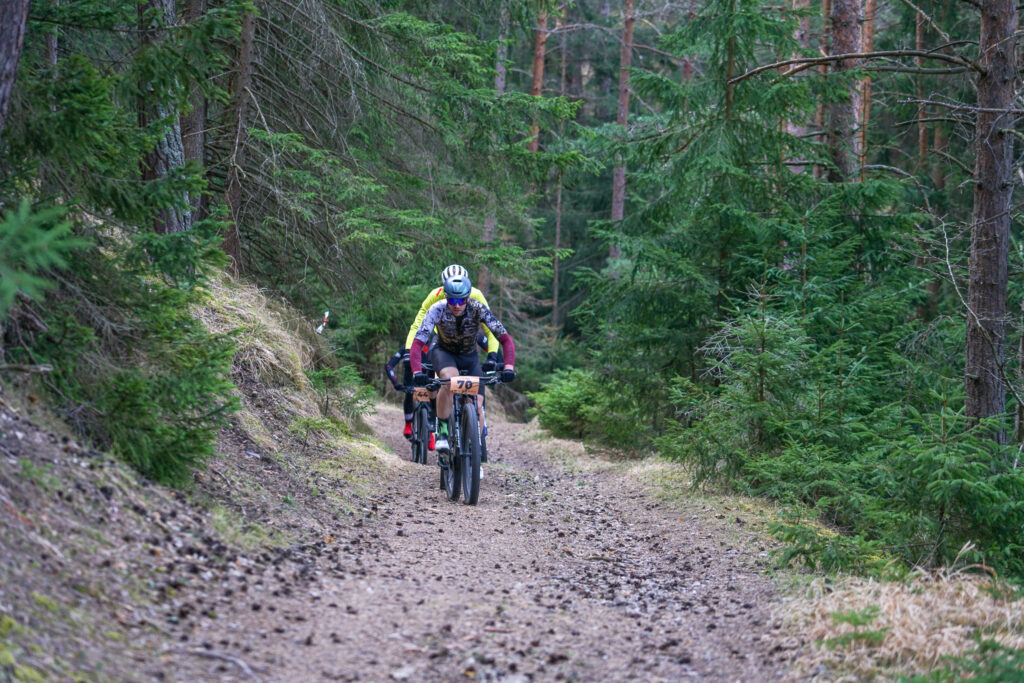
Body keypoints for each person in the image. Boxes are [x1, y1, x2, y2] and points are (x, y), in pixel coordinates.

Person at [409, 273, 516, 457]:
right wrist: (417, 371)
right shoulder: (437, 309)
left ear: (468, 297)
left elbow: (505, 340)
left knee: (478, 404)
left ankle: (474, 449)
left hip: (469, 356)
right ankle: (443, 432)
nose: (457, 305)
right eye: (452, 300)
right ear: (446, 297)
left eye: (462, 300)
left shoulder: (478, 308)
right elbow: (417, 343)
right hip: (444, 353)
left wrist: (508, 368)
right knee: (449, 382)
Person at [395, 264, 499, 440]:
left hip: (467, 340)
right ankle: (438, 422)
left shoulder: (476, 295)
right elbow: (417, 325)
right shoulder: (435, 296)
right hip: (442, 340)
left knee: (475, 386)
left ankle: (474, 420)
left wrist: (494, 355)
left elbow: (491, 329)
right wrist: (408, 351)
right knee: (439, 377)